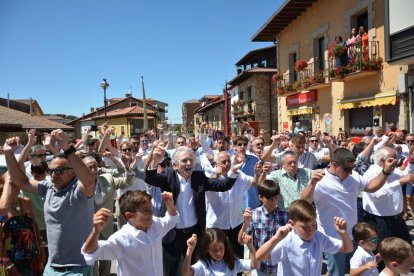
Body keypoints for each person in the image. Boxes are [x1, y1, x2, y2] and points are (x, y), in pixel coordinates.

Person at [4, 129, 96, 275]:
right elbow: (21, 181)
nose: (53, 175)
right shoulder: (48, 188)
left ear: (73, 171)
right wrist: (8, 153)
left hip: (77, 268)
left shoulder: (80, 191)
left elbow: (90, 182)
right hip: (51, 267)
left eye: (58, 171)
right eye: (51, 171)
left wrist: (67, 148)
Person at [301, 148, 396, 276]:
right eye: (347, 169)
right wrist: (311, 184)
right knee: (337, 273)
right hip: (332, 239)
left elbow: (371, 187)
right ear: (334, 164)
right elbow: (304, 202)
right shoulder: (319, 179)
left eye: (352, 168)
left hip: (354, 236)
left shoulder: (353, 177)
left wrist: (386, 172)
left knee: (357, 272)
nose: (350, 172)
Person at [145, 145, 238, 276]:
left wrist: (233, 172)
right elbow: (150, 178)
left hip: (194, 234)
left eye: (190, 160)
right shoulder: (168, 175)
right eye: (184, 161)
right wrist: (154, 161)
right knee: (170, 270)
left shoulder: (198, 177)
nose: (188, 163)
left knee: (196, 270)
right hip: (172, 234)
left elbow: (221, 185)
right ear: (175, 165)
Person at [81, 190, 179, 276]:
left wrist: (170, 205)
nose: (151, 213)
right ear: (130, 216)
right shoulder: (121, 239)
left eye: (151, 208)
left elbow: (171, 220)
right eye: (146, 210)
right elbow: (89, 252)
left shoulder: (155, 224)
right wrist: (95, 231)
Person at [255, 200, 353, 276]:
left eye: (313, 225)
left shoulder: (319, 237)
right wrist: (275, 239)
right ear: (292, 224)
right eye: (304, 227)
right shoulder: (287, 240)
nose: (310, 230)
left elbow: (347, 248)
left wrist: (343, 234)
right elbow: (258, 257)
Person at [205, 151, 261, 259]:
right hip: (217, 225)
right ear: (216, 163)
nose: (226, 164)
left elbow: (254, 182)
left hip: (236, 223)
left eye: (228, 161)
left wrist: (257, 174)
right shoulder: (209, 175)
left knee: (237, 256)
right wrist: (220, 173)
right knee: (216, 257)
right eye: (223, 161)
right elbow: (215, 180)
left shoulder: (239, 174)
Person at [362, 147, 414, 245]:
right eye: (392, 159)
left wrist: (411, 163)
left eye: (396, 158)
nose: (396, 161)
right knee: (383, 253)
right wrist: (398, 182)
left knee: (406, 251)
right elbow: (376, 194)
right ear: (382, 160)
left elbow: (404, 175)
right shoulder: (371, 172)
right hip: (380, 221)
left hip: (397, 219)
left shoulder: (394, 170)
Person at [238, 180, 288, 275]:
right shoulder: (254, 215)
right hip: (260, 267)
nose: (273, 202)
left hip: (279, 267)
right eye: (269, 198)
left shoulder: (285, 216)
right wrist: (245, 224)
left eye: (276, 198)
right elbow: (241, 241)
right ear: (260, 197)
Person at [0, 173, 45, 275]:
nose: (18, 186)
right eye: (14, 184)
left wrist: (40, 247)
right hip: (13, 259)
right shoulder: (2, 209)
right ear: (5, 187)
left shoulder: (26, 202)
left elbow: (35, 225)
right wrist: (8, 264)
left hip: (31, 255)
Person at [182, 228, 257, 276]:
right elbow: (186, 273)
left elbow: (254, 265)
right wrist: (190, 249)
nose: (219, 253)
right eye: (214, 250)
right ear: (207, 249)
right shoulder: (204, 265)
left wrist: (250, 246)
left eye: (221, 248)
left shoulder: (232, 262)